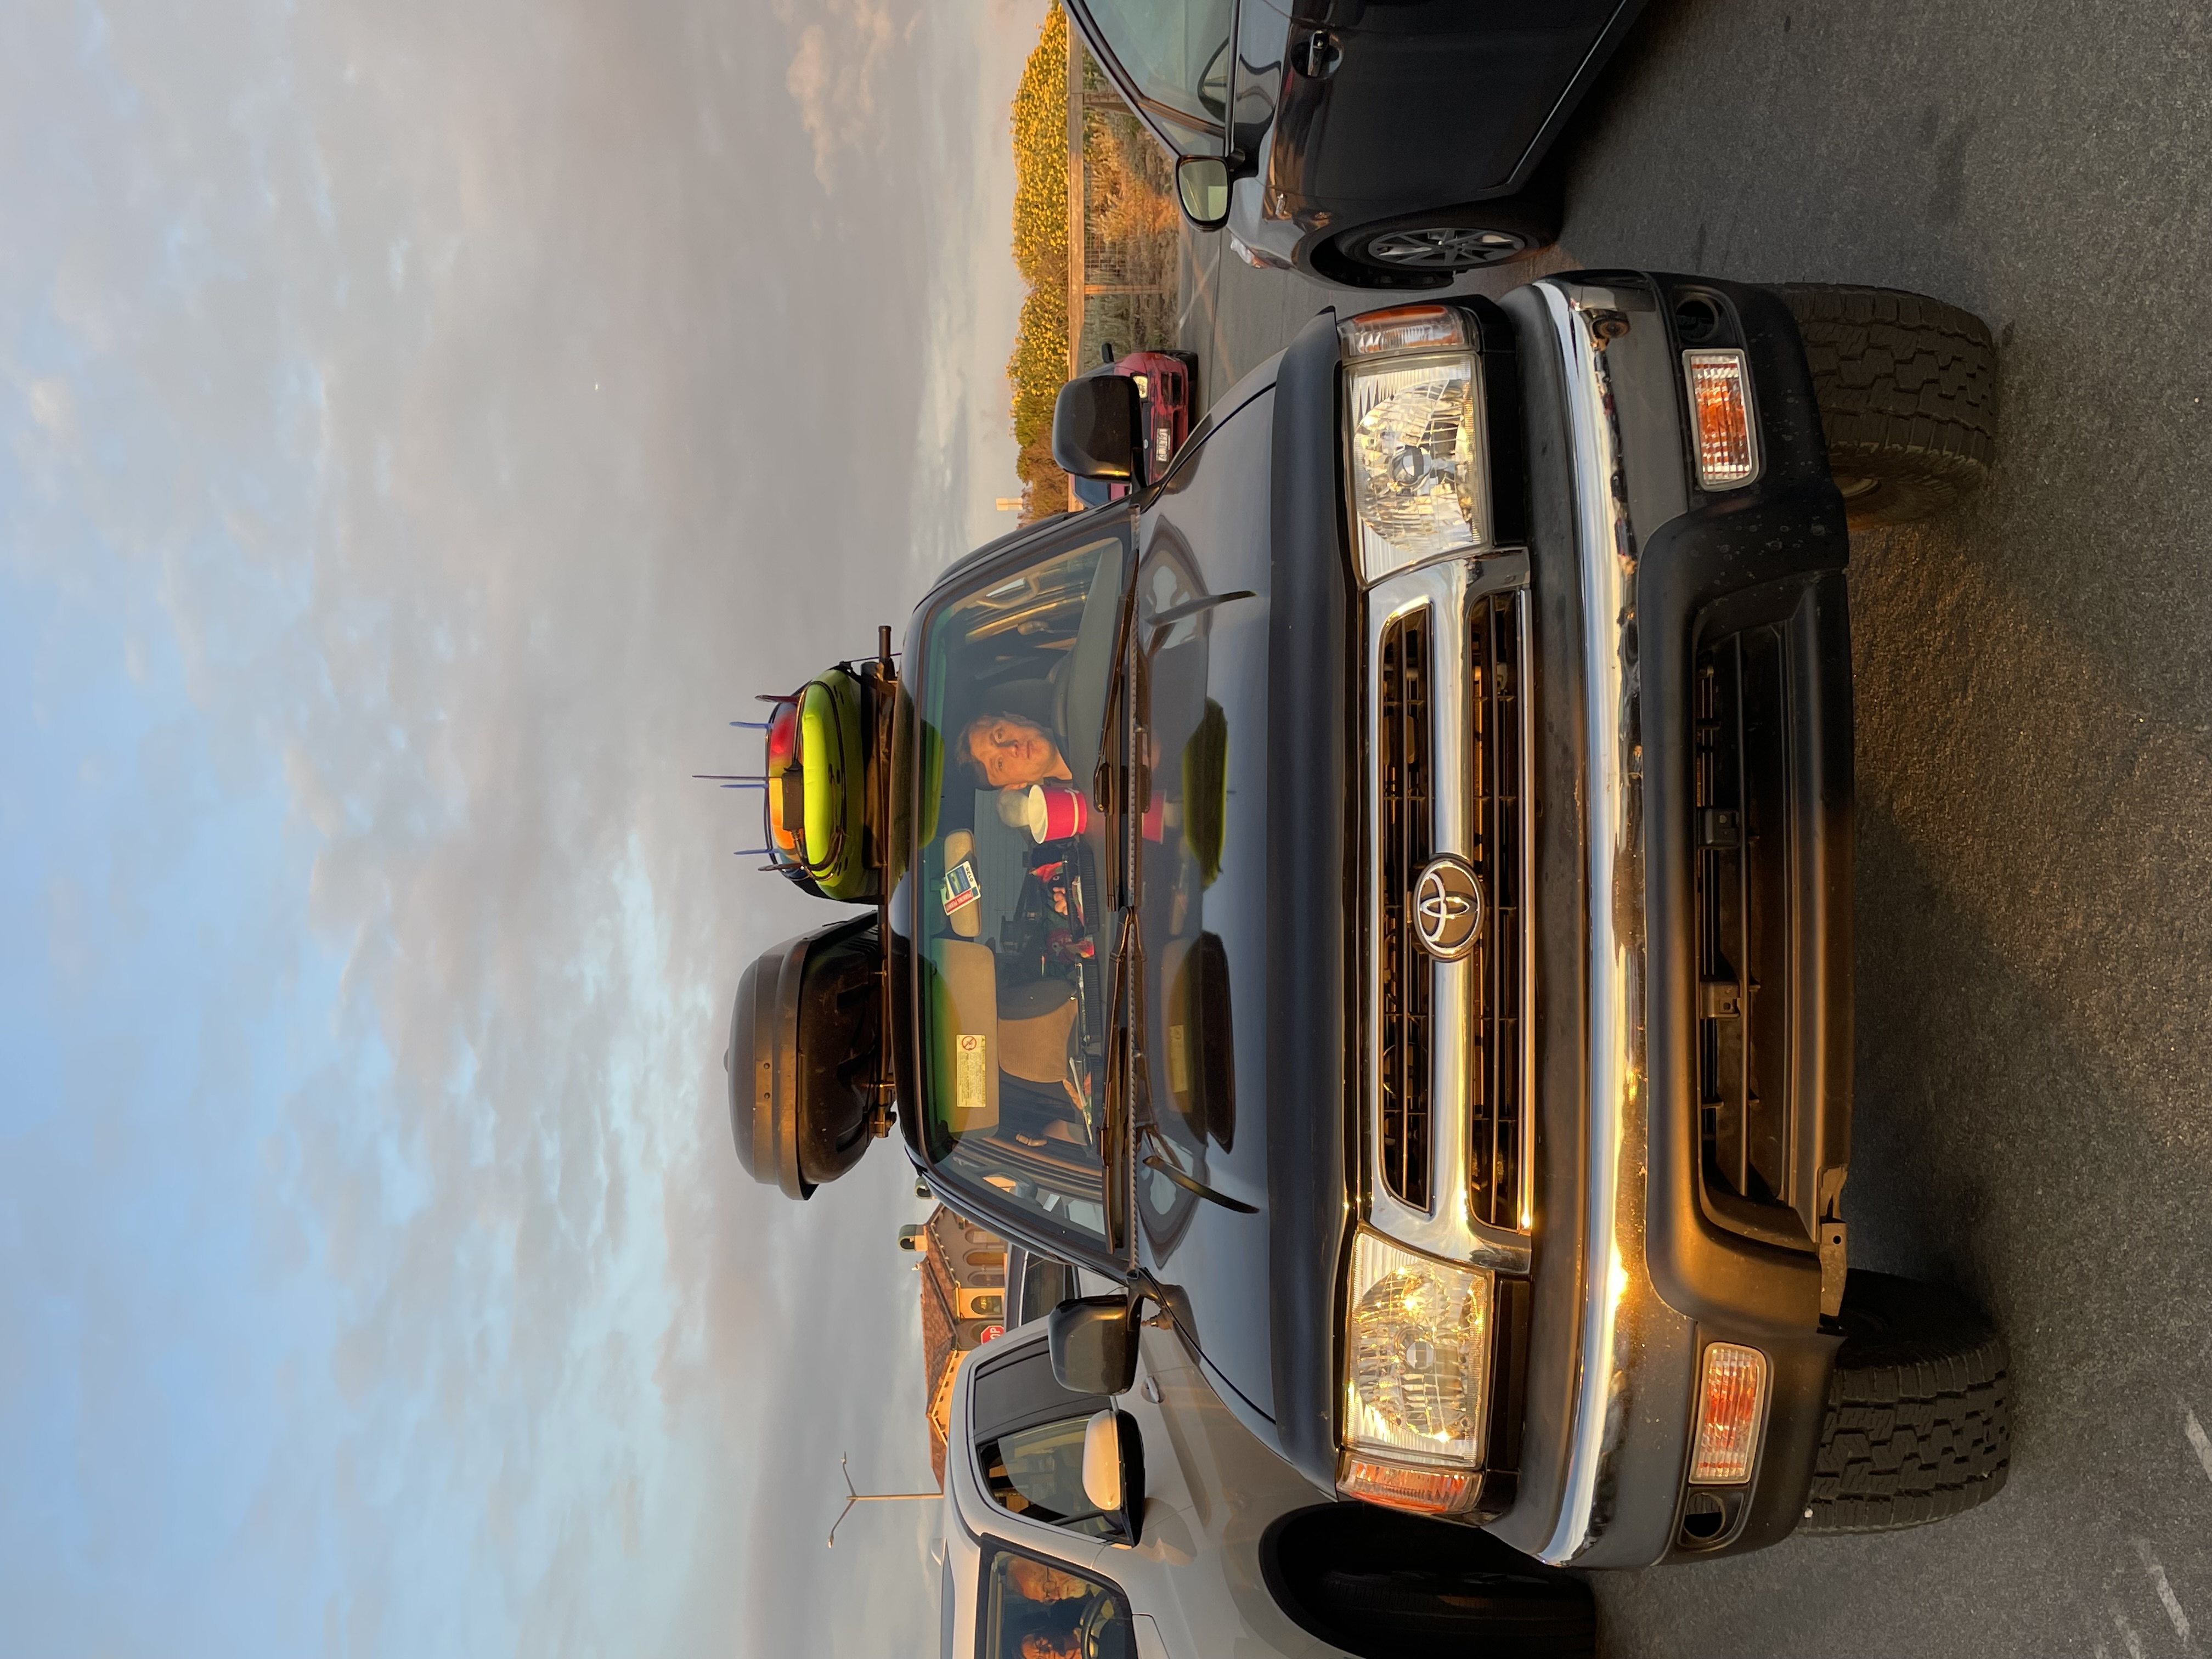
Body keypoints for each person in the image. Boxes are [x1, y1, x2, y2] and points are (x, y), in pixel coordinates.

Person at [963, 712, 1071, 792]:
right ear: (1015, 785)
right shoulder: (1076, 813)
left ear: (1015, 717)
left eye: (999, 736)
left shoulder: (1077, 694)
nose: (1011, 748)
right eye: (1000, 764)